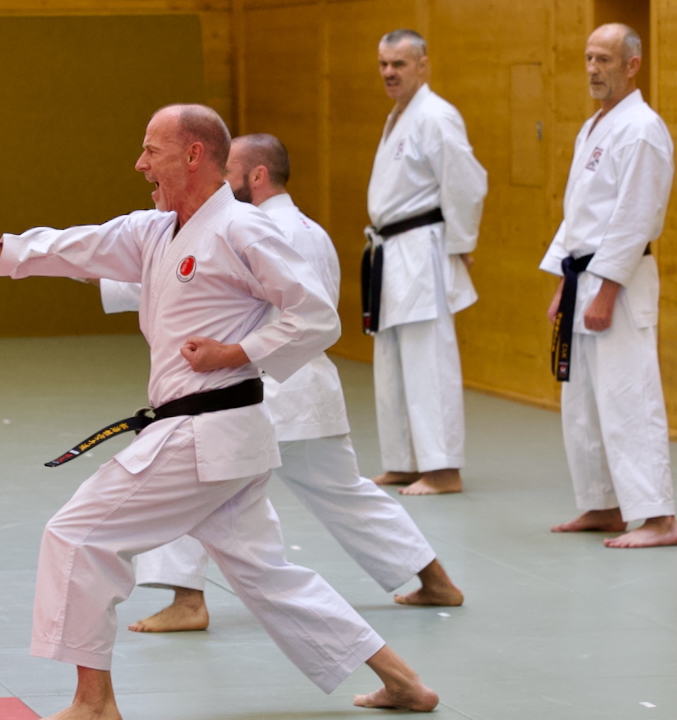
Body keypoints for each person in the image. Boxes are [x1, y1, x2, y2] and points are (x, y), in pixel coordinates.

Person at [0, 105, 439, 720]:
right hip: (224, 440)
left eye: (150, 151)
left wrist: (236, 352)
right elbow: (57, 246)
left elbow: (317, 316)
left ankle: (94, 704)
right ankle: (404, 682)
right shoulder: (153, 232)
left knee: (76, 535)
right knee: (268, 575)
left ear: (193, 155)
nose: (140, 164)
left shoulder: (242, 229)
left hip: (205, 430)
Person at [98, 133, 464, 634]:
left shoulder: (251, 229)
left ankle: (187, 600)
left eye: (228, 173)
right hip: (309, 391)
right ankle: (435, 579)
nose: (219, 183)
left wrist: (93, 267)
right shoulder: (310, 230)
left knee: (180, 476)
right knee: (347, 494)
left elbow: (195, 285)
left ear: (257, 176)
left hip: (258, 387)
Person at [541, 24, 677, 549]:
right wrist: (565, 283)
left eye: (604, 59)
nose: (593, 69)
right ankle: (603, 504)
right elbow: (580, 213)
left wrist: (606, 290)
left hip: (617, 283)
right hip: (584, 275)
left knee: (628, 397)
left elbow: (635, 217)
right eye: (588, 58)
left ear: (632, 65)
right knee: (582, 402)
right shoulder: (595, 126)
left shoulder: (642, 129)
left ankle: (659, 518)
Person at [364, 29, 487, 496]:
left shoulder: (436, 115)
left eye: (399, 64)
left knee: (427, 359)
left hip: (421, 248)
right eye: (383, 64)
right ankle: (404, 460)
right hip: (391, 249)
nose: (389, 73)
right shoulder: (399, 116)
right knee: (392, 359)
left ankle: (443, 468)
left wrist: (460, 245)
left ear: (423, 65)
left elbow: (465, 184)